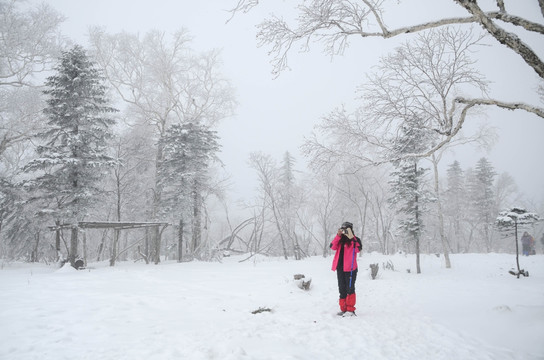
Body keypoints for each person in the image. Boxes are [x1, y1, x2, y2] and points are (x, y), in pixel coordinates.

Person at [330, 221, 362, 316]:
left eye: (346, 230)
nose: (344, 232)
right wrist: (338, 235)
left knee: (350, 288)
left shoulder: (355, 240)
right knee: (342, 288)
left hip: (350, 268)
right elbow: (332, 247)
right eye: (343, 229)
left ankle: (350, 310)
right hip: (340, 268)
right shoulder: (339, 240)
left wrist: (352, 238)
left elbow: (358, 249)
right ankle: (343, 309)